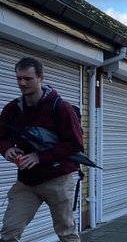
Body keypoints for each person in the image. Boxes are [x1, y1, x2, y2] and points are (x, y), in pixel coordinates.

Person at [0, 57, 83, 242]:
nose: (22, 83)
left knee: (67, 234)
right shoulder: (13, 109)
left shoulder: (61, 108)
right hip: (26, 183)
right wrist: (6, 150)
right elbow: (1, 136)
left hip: (58, 180)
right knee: (9, 233)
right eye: (19, 78)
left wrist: (40, 156)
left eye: (28, 78)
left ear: (40, 78)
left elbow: (75, 145)